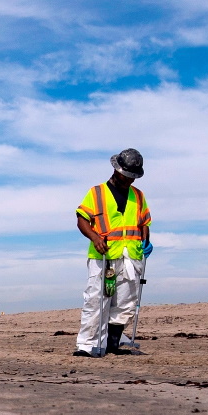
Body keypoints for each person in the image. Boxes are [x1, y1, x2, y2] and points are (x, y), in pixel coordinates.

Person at [73, 150, 150, 358]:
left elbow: (144, 223)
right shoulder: (97, 193)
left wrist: (146, 242)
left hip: (131, 256)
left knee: (125, 302)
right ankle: (87, 345)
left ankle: (113, 343)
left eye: (134, 177)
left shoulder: (138, 196)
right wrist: (95, 238)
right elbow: (82, 219)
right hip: (104, 256)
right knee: (97, 300)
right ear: (117, 170)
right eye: (127, 176)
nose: (130, 180)